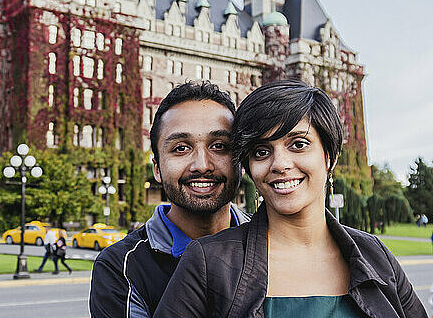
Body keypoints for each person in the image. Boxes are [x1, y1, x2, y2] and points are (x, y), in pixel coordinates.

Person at [155, 80, 427, 318]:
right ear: (249, 168)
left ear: (329, 157)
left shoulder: (374, 255)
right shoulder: (207, 262)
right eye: (262, 151)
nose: (280, 164)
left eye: (299, 144)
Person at [89, 81, 250, 318]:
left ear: (241, 160)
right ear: (157, 168)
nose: (202, 165)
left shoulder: (272, 243)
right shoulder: (120, 267)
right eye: (181, 148)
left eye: (219, 146)